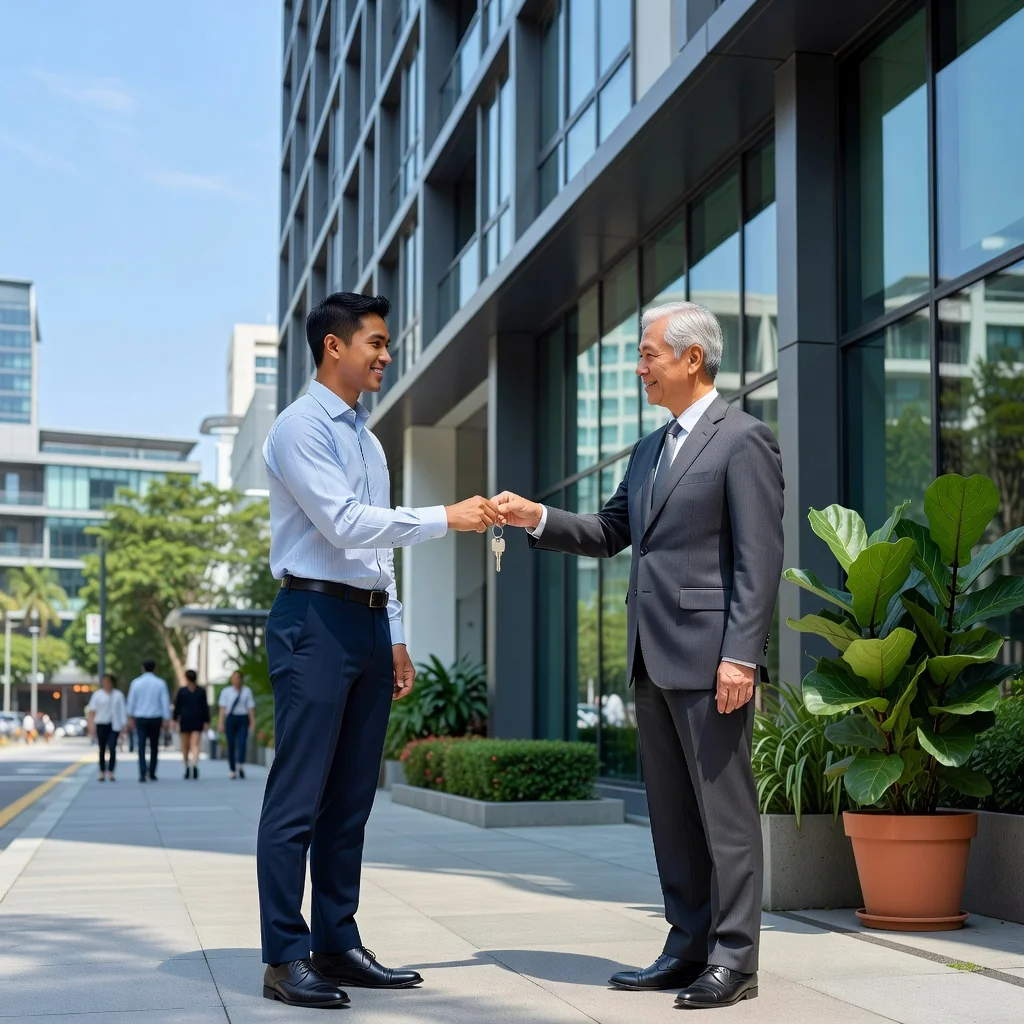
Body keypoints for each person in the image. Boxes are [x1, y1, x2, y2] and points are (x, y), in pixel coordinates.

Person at [496, 302, 784, 1011]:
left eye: (649, 354)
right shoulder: (650, 450)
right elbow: (609, 531)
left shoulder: (744, 439)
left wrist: (741, 656)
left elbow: (759, 559)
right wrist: (535, 516)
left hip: (713, 660)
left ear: (692, 358)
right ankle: (686, 947)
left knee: (726, 817)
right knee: (671, 817)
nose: (639, 367)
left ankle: (735, 960)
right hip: (651, 658)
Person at [257, 291, 499, 1009]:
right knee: (298, 797)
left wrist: (393, 634)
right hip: (311, 618)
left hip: (362, 624)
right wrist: (444, 517)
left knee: (352, 798)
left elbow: (377, 553)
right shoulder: (300, 428)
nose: (387, 355)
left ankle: (336, 942)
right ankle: (284, 956)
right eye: (377, 343)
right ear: (334, 346)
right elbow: (343, 524)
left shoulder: (367, 439)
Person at [126, 659, 171, 783]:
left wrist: (130, 717)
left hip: (140, 717)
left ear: (142, 668)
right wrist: (166, 718)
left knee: (141, 745)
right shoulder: (160, 683)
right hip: (155, 717)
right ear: (154, 668)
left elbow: (131, 702)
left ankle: (142, 772)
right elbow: (165, 702)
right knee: (154, 746)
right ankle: (152, 772)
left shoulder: (136, 683)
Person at [86, 674, 127, 781]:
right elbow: (92, 711)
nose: (106, 684)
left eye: (108, 681)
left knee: (112, 747)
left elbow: (122, 711)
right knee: (102, 748)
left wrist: (124, 725)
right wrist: (91, 726)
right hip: (101, 723)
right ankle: (102, 771)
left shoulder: (118, 695)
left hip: (114, 725)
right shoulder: (97, 695)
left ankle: (111, 771)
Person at [218, 670, 255, 780]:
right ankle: (232, 769)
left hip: (243, 718)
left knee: (242, 742)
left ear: (241, 679)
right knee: (231, 744)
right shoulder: (226, 692)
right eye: (234, 678)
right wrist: (221, 723)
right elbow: (222, 708)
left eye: (238, 678)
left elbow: (251, 708)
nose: (236, 680)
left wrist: (252, 723)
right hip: (231, 718)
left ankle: (240, 764)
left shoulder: (247, 691)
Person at [173, 669, 210, 779]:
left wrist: (175, 720)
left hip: (186, 719)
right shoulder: (201, 691)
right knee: (195, 744)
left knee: (186, 746)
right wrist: (206, 721)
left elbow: (177, 707)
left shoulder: (182, 691)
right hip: (196, 720)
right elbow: (205, 707)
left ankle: (187, 767)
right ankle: (194, 764)